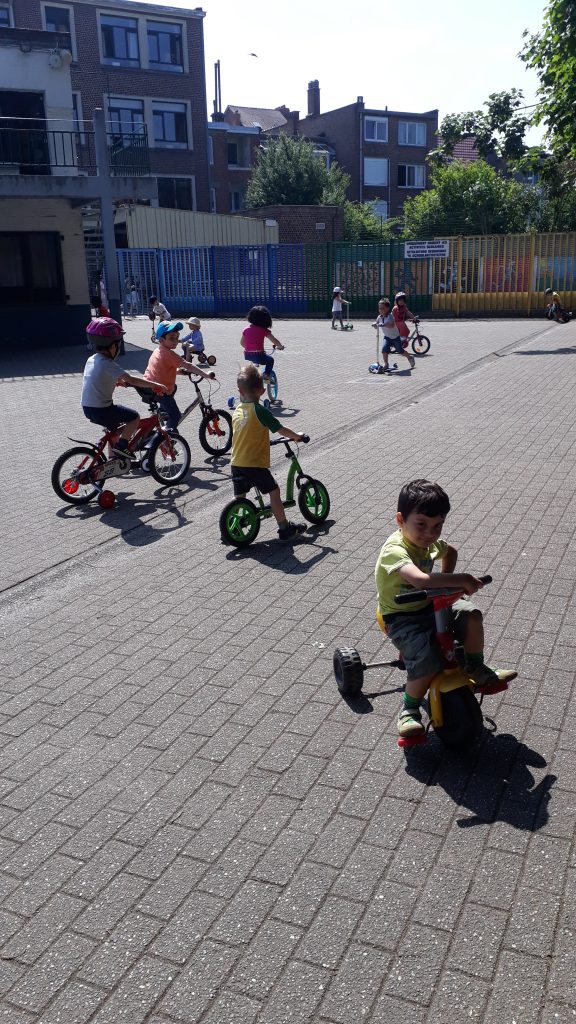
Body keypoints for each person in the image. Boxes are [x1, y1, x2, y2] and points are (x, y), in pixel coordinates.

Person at [375, 479, 517, 739]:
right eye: (421, 524)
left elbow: (450, 551)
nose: (429, 534)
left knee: (471, 615)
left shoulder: (430, 544)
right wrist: (459, 579)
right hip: (401, 616)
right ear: (400, 520)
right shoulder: (394, 550)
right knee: (428, 661)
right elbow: (420, 580)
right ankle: (409, 708)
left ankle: (475, 667)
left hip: (430, 603)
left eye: (437, 526)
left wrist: (445, 584)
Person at [230, 362, 307, 542]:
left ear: (240, 391)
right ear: (263, 391)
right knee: (274, 491)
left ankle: (230, 526)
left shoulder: (237, 410)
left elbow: (246, 433)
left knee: (239, 497)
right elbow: (281, 429)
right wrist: (297, 436)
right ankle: (284, 528)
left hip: (236, 462)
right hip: (253, 464)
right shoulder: (260, 410)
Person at [81, 317, 167, 457]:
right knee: (134, 417)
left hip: (88, 408)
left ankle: (113, 460)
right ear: (111, 345)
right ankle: (122, 447)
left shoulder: (92, 359)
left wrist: (117, 382)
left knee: (114, 430)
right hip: (102, 409)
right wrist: (155, 384)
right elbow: (132, 379)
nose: (119, 347)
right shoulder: (108, 363)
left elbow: (97, 378)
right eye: (118, 343)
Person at [143, 321, 216, 431]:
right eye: (172, 338)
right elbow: (189, 365)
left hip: (148, 385)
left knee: (174, 387)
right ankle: (167, 438)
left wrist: (179, 371)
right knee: (175, 416)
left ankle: (163, 411)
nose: (176, 341)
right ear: (161, 340)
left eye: (177, 337)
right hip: (159, 390)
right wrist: (206, 375)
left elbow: (162, 369)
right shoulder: (169, 354)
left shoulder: (158, 351)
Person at [240, 305, 284, 381]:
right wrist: (280, 346)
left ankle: (255, 366)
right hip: (259, 355)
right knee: (270, 360)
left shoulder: (246, 329)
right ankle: (266, 375)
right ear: (265, 319)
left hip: (247, 355)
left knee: (256, 360)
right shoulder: (264, 330)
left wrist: (250, 348)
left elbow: (242, 343)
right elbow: (274, 340)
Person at [372, 298, 415, 373]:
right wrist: (375, 325)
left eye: (382, 308)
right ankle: (386, 364)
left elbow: (391, 325)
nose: (380, 310)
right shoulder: (379, 317)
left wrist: (383, 324)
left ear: (387, 308)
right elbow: (377, 324)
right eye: (379, 308)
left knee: (400, 350)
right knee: (384, 349)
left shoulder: (390, 316)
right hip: (387, 337)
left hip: (395, 337)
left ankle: (410, 357)